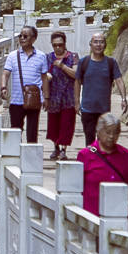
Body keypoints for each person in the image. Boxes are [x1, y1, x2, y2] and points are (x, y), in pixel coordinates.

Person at [79, 113, 128, 229]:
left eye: (115, 132)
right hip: (91, 218)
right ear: (98, 131)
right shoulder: (85, 155)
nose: (112, 136)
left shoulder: (125, 155)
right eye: (108, 132)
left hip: (118, 218)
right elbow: (77, 188)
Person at [0, 25, 51, 145]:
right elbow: (5, 73)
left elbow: (44, 78)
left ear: (33, 39)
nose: (22, 38)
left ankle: (31, 159)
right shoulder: (13, 56)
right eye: (20, 36)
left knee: (32, 133)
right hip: (17, 100)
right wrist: (3, 87)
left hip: (34, 99)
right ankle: (16, 157)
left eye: (25, 36)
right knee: (15, 131)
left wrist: (46, 98)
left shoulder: (41, 56)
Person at [77, 32, 127, 146]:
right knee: (89, 140)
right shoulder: (84, 62)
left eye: (101, 42)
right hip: (87, 109)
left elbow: (119, 79)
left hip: (104, 111)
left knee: (103, 140)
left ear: (105, 45)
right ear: (91, 44)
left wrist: (124, 98)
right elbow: (77, 82)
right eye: (95, 42)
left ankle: (101, 162)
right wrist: (76, 102)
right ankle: (90, 162)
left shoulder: (110, 63)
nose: (98, 45)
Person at [45, 29, 79, 160]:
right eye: (55, 45)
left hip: (68, 96)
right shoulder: (48, 57)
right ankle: (56, 148)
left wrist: (62, 66)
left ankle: (64, 149)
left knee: (67, 124)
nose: (58, 47)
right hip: (53, 96)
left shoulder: (73, 57)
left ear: (65, 43)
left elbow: (76, 75)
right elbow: (44, 75)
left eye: (60, 44)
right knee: (53, 124)